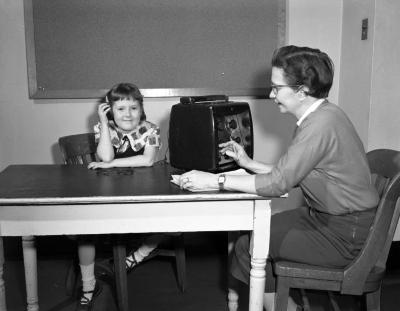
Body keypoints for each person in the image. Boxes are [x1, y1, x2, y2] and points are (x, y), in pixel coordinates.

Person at [178, 45, 379, 311]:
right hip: (335, 220)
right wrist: (248, 164)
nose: (272, 95)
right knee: (257, 234)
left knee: (247, 245)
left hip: (343, 234)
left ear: (301, 90)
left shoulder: (319, 126)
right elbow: (291, 174)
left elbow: (278, 184)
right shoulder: (324, 115)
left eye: (276, 88)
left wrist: (215, 181)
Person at [77, 83, 165, 310]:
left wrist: (113, 163)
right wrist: (105, 124)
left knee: (172, 221)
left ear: (141, 109)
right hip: (109, 195)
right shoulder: (103, 127)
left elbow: (146, 160)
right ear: (110, 110)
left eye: (134, 108)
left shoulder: (152, 129)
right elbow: (105, 156)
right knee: (83, 232)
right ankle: (88, 285)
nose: (128, 114)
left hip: (144, 194)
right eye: (121, 109)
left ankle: (139, 254)